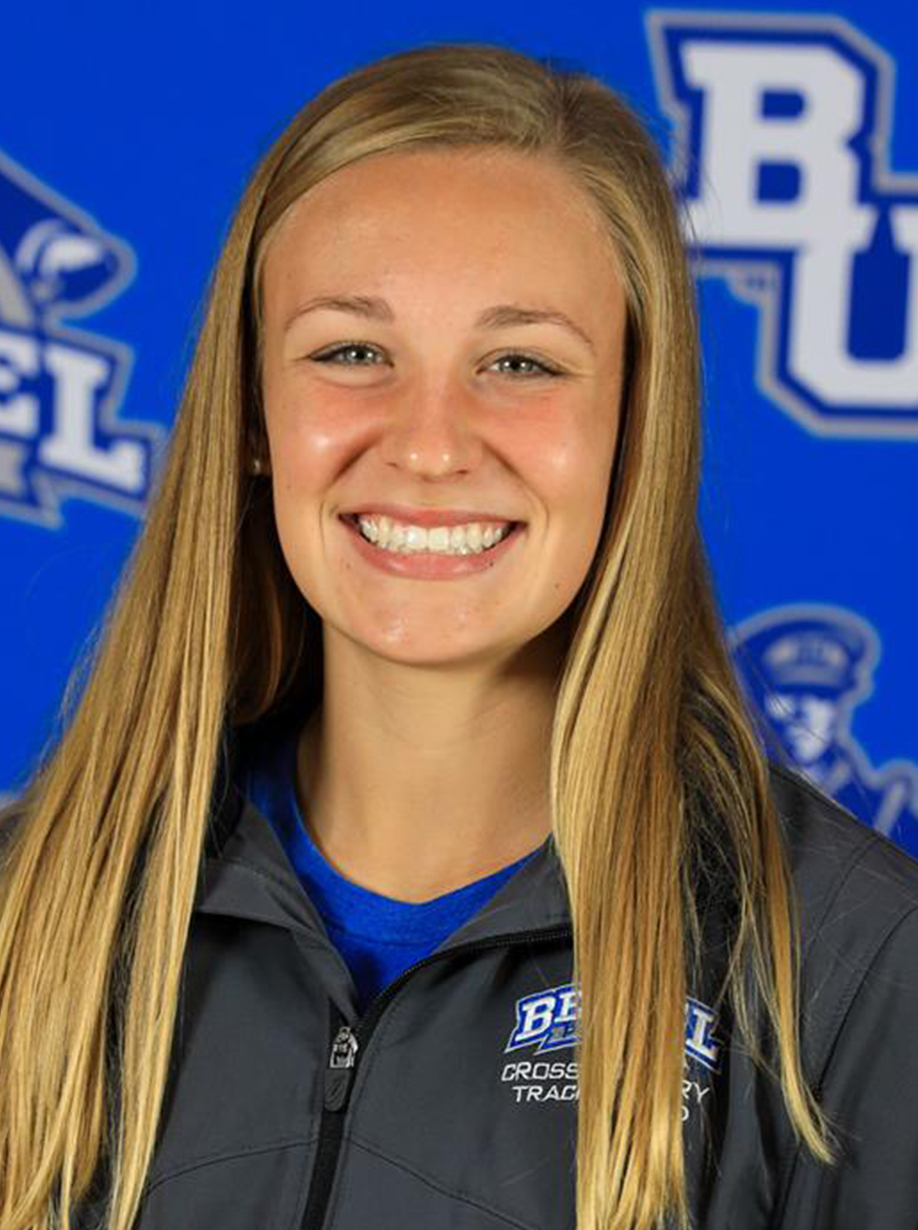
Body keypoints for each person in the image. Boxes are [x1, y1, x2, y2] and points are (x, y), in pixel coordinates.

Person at [1, 40, 917, 1230]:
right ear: (253, 412)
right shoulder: (34, 916)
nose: (430, 446)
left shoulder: (848, 974)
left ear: (635, 425)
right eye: (352, 352)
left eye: (521, 362)